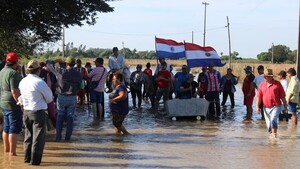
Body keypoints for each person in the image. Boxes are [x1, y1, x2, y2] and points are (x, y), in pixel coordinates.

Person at [19, 60, 53, 165]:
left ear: (28, 70)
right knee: (38, 139)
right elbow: (49, 98)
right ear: (38, 70)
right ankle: (35, 162)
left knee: (28, 136)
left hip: (26, 111)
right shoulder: (39, 82)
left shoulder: (22, 81)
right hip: (38, 112)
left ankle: (27, 158)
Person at [0, 52, 23, 156]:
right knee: (14, 127)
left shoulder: (2, 71)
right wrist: (20, 103)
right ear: (16, 62)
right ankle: (12, 153)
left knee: (6, 126)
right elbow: (15, 91)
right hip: (12, 103)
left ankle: (6, 150)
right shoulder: (13, 74)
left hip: (3, 102)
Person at [55, 57, 82, 141]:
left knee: (60, 117)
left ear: (66, 64)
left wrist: (57, 60)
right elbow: (80, 85)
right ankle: (67, 138)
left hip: (61, 97)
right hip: (72, 97)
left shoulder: (61, 71)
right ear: (74, 64)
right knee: (70, 118)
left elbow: (48, 64)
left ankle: (58, 137)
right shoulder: (78, 73)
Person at [256, 69, 287, 139]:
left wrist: (285, 107)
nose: (265, 78)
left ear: (271, 77)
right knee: (269, 125)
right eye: (265, 76)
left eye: (267, 76)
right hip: (265, 107)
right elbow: (259, 97)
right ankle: (272, 135)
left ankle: (274, 135)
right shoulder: (262, 84)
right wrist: (257, 107)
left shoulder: (277, 84)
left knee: (273, 119)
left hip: (276, 106)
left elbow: (283, 97)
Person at [85, 58, 108, 125]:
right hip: (101, 90)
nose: (95, 63)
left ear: (98, 63)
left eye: (95, 62)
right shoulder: (105, 70)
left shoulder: (95, 69)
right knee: (100, 104)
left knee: (94, 104)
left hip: (94, 89)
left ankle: (95, 118)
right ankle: (100, 118)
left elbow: (88, 76)